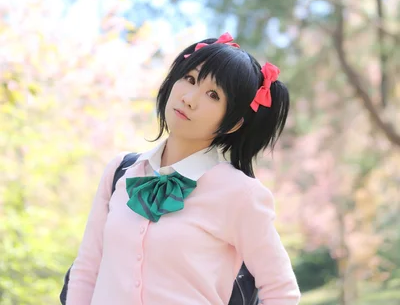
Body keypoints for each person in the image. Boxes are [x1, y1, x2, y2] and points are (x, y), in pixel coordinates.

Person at [66, 32, 301, 305]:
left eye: (213, 95)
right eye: (189, 79)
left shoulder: (241, 194)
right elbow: (87, 270)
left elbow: (281, 291)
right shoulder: (121, 170)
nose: (190, 98)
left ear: (234, 122)